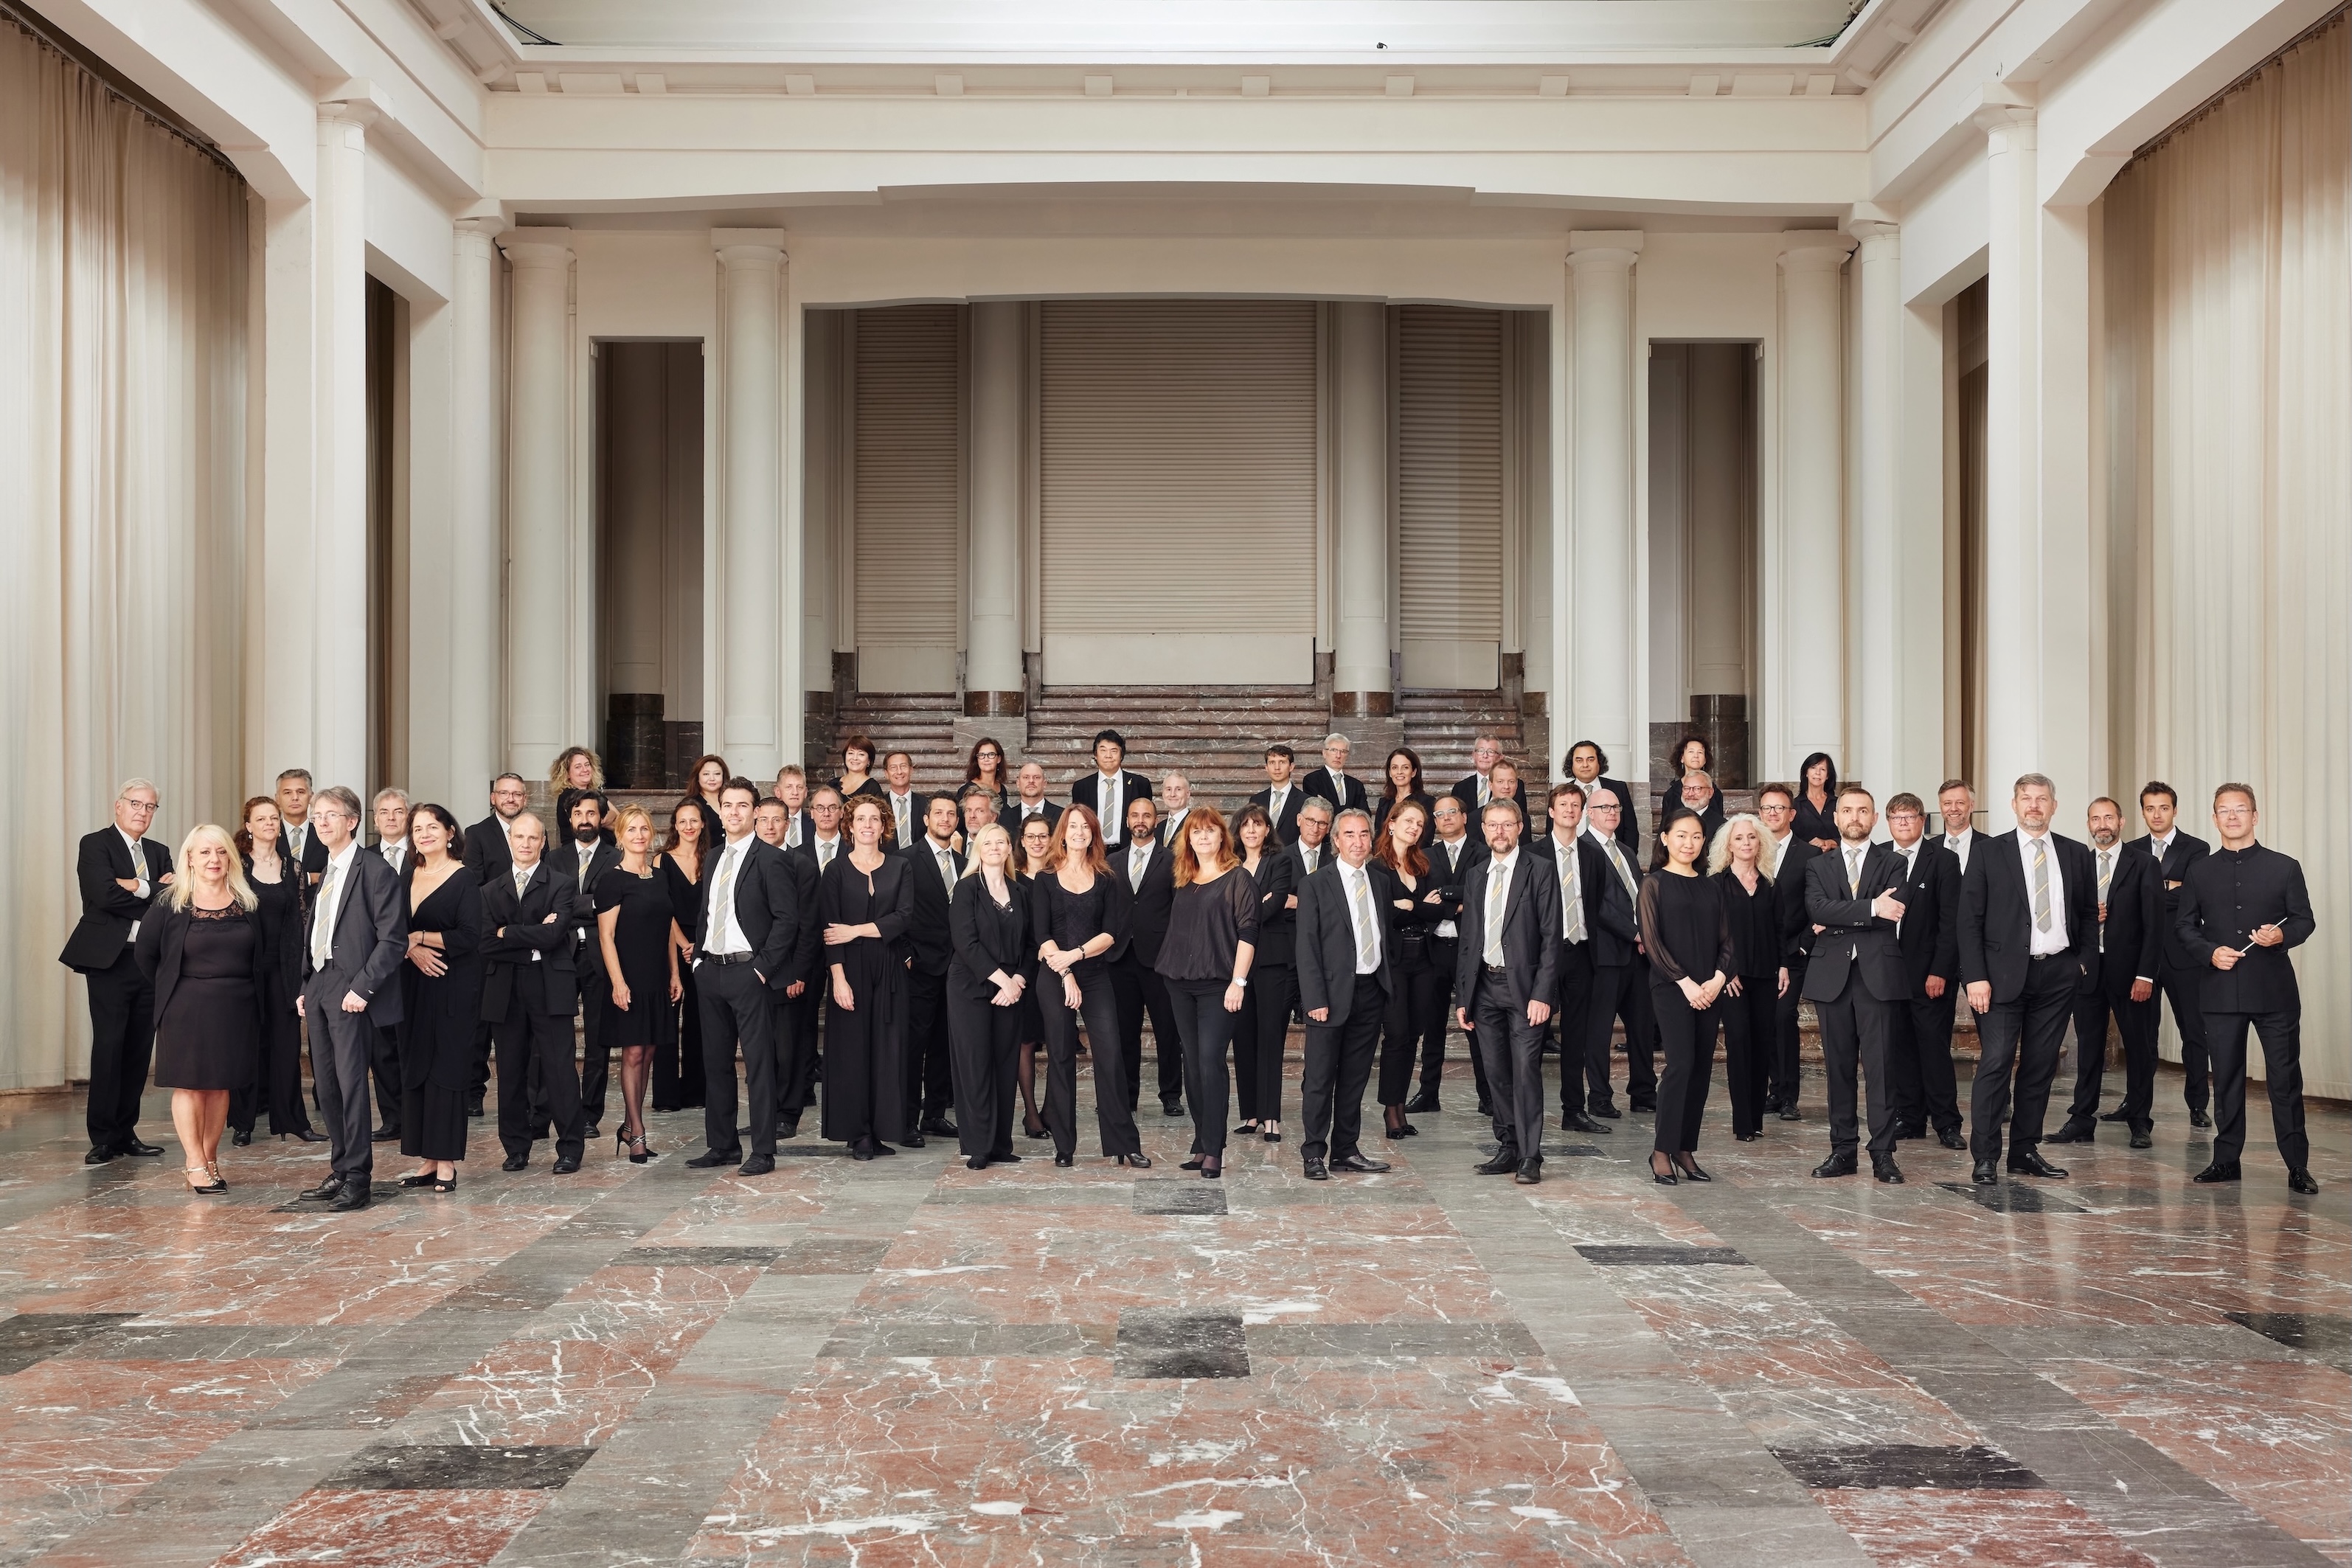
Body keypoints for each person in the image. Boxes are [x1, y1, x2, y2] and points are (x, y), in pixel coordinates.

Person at [2175, 785, 2317, 1194]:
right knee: (2228, 1078)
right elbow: (2184, 926)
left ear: (2255, 816)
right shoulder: (2199, 871)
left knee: (2284, 1079)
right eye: (2224, 810)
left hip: (2274, 991)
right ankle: (2225, 1161)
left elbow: (2304, 920)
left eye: (2241, 810)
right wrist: (2209, 952)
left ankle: (2297, 1166)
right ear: (2215, 817)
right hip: (2219, 990)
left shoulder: (2285, 867)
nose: (2232, 817)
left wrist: (2280, 937)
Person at [1958, 773, 2098, 1186]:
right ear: (2014, 805)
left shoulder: (2076, 854)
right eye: (2026, 798)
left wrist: (2082, 962)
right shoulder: (1987, 853)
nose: (2034, 805)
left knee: (2040, 1066)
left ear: (2054, 806)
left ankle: (2023, 1152)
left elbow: (2089, 914)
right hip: (2000, 978)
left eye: (2042, 799)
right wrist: (1975, 978)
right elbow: (1969, 923)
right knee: (1997, 1062)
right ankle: (1984, 1156)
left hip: (2057, 974)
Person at [136, 824, 268, 1194]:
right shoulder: (170, 902)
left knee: (220, 1087)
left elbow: (264, 955)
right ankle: (194, 1163)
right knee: (192, 1087)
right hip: (186, 1007)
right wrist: (173, 990)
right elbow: (146, 955)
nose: (214, 859)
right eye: (205, 852)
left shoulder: (249, 901)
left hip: (237, 1008)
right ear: (189, 858)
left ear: (231, 858)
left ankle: (210, 1159)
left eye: (221, 852)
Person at [295, 785, 406, 1213]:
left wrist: (362, 988)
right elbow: (320, 934)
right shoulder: (326, 871)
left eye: (330, 815)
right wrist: (307, 985)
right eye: (316, 816)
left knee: (352, 1084)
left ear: (353, 821)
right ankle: (341, 1167)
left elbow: (393, 940)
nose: (320, 822)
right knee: (326, 1085)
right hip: (321, 985)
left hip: (353, 989)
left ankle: (359, 1178)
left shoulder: (375, 870)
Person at [688, 779, 800, 1176]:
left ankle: (763, 1151)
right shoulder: (714, 856)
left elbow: (788, 921)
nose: (734, 812)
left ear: (755, 812)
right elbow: (706, 911)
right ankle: (722, 1145)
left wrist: (761, 969)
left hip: (748, 972)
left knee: (758, 1064)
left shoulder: (771, 859)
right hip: (711, 972)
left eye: (742, 805)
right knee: (716, 1063)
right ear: (719, 811)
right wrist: (699, 960)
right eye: (728, 805)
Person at [60, 779, 176, 1164]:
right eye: (136, 804)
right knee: (110, 1046)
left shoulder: (160, 851)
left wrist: (134, 886)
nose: (143, 812)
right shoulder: (95, 844)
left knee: (140, 1048)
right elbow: (102, 895)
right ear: (118, 806)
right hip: (109, 960)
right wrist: (150, 889)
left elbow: (173, 901)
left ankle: (127, 1132)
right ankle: (104, 1137)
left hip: (148, 962)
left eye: (150, 807)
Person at [1802, 785, 1911, 1184]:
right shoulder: (1818, 865)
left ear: (1875, 817)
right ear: (1836, 816)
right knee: (1839, 1068)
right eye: (1847, 810)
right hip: (1832, 977)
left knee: (1881, 1068)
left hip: (1878, 977)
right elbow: (1815, 907)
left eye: (1862, 811)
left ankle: (1883, 1153)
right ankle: (1842, 1151)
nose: (1854, 817)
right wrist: (1869, 906)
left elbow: (1893, 912)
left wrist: (1838, 917)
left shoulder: (1893, 862)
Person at [1033, 805, 1147, 1168]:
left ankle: (1123, 1144)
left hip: (1095, 973)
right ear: (1062, 832)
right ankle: (1064, 1146)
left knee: (1110, 1054)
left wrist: (1076, 957)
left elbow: (1112, 933)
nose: (1079, 831)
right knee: (1062, 1056)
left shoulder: (1108, 877)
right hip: (1053, 975)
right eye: (1073, 826)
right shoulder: (1045, 878)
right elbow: (1041, 935)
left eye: (1086, 826)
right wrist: (1065, 972)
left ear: (1094, 833)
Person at [484, 811, 597, 1171]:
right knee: (512, 1071)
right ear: (510, 840)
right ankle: (516, 1148)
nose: (526, 844)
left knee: (560, 1069)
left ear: (543, 842)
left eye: (533, 838)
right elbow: (485, 942)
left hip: (551, 984)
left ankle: (570, 1149)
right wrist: (528, 933)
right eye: (519, 837)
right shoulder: (490, 889)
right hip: (506, 988)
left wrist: (508, 932)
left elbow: (554, 936)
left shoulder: (562, 884)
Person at [1454, 799, 1559, 1183]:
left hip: (1526, 990)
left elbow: (1552, 938)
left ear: (1520, 827)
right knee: (1496, 1073)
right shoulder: (1477, 873)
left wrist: (1543, 994)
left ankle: (1531, 1155)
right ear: (1484, 830)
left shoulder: (1541, 871)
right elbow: (1469, 940)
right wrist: (1463, 997)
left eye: (1507, 825)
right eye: (1492, 825)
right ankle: (1509, 1145)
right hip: (1484, 988)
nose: (1500, 832)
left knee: (1526, 1072)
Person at [2050, 797, 2161, 1149]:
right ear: (2088, 824)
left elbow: (2154, 926)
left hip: (2131, 975)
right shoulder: (2077, 862)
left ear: (2122, 822)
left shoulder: (2143, 863)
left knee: (2139, 1048)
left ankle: (2140, 1120)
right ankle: (2082, 1118)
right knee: (2088, 1049)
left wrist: (2146, 975)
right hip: (2087, 971)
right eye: (2095, 818)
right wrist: (2085, 917)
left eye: (2108, 818)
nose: (2102, 824)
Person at [1294, 808, 1397, 1181]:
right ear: (1335, 841)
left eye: (1364, 834)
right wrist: (1315, 1000)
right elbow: (1306, 948)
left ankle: (1346, 1150)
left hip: (1370, 991)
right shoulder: (1315, 884)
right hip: (1329, 996)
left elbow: (1384, 936)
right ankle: (1313, 1152)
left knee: (1355, 1078)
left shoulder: (1381, 881)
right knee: (1320, 1077)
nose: (1358, 841)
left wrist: (1386, 986)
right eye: (1349, 835)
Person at [1156, 806, 1258, 1179]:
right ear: (1188, 839)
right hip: (1179, 982)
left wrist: (1238, 982)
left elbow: (1248, 934)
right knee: (1193, 1062)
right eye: (1195, 832)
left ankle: (1214, 1148)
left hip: (1220, 984)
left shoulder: (1238, 878)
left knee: (1210, 1060)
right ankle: (1201, 1142)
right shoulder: (1183, 876)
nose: (1202, 837)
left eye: (1210, 831)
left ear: (1221, 836)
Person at [391, 805, 482, 1193]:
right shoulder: (406, 876)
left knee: (447, 1071)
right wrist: (411, 949)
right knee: (417, 1068)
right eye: (417, 828)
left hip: (452, 984)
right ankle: (427, 1160)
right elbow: (393, 930)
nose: (424, 834)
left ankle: (447, 1164)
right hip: (412, 985)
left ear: (449, 832)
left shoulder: (463, 878)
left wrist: (420, 938)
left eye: (432, 827)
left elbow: (469, 937)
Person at [820, 797, 915, 1159]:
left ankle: (879, 1130)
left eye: (874, 819)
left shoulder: (900, 867)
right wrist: (839, 980)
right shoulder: (835, 870)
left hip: (890, 968)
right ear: (850, 825)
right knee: (852, 1053)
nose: (867, 825)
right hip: (850, 971)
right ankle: (857, 1133)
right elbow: (830, 932)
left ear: (884, 825)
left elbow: (903, 918)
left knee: (887, 1051)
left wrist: (855, 930)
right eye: (860, 819)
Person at [1642, 808, 1732, 1185]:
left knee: (1700, 1070)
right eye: (1681, 835)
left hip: (1709, 990)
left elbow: (1729, 941)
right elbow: (1652, 942)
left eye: (1696, 836)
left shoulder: (1712, 885)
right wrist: (1685, 983)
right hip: (1672, 988)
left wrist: (1717, 979)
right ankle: (1661, 1150)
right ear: (1665, 839)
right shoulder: (1654, 884)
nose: (1689, 843)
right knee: (1679, 1066)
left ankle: (1685, 1149)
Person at [596, 803, 684, 1168]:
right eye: (631, 829)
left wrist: (675, 974)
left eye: (644, 829)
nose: (638, 835)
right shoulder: (612, 879)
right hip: (627, 976)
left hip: (657, 977)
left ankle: (631, 1128)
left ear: (652, 834)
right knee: (632, 1053)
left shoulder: (660, 876)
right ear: (621, 836)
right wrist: (618, 982)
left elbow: (667, 929)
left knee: (648, 1053)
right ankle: (638, 1130)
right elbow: (606, 936)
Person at [1879, 794, 1966, 1150]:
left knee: (1933, 1049)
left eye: (1910, 816)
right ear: (1888, 821)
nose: (1903, 823)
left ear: (1922, 820)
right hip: (1885, 972)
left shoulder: (1944, 860)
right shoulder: (1879, 855)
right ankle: (1910, 1117)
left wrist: (1940, 971)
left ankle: (1947, 1122)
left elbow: (1951, 922)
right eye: (1896, 817)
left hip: (1929, 974)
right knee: (1898, 1049)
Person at [231, 797, 317, 1145]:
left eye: (274, 818)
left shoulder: (292, 868)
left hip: (283, 970)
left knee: (286, 1046)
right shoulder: (235, 865)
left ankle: (294, 1121)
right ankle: (243, 1123)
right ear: (248, 826)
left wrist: (301, 977)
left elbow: (298, 923)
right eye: (261, 818)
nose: (269, 823)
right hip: (244, 970)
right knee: (247, 1045)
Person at [946, 823, 1032, 1169]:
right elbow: (966, 942)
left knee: (1005, 1063)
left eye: (1001, 842)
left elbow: (1032, 943)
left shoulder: (1022, 891)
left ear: (1010, 849)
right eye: (988, 842)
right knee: (975, 1064)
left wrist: (1019, 981)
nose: (995, 847)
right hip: (971, 987)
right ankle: (978, 1145)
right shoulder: (965, 889)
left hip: (1010, 989)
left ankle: (999, 1143)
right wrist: (1003, 982)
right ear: (978, 848)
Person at [2130, 781, 2214, 1130]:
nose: (2157, 814)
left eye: (2163, 807)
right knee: (2142, 1036)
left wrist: (2148, 891)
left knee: (2194, 1032)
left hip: (2185, 955)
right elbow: (2126, 900)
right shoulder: (2131, 849)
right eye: (2150, 808)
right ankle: (2136, 1104)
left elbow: (2194, 896)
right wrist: (2170, 886)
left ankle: (2197, 1104)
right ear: (2143, 811)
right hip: (2142, 958)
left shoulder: (2197, 848)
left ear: (2175, 810)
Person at [1110, 795, 1187, 1117]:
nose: (1140, 820)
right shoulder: (1111, 862)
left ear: (1156, 821)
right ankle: (1127, 1097)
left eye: (1146, 815)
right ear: (1127, 821)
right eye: (1134, 815)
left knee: (1167, 1030)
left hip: (1159, 959)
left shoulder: (1172, 860)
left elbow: (1180, 911)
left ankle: (1170, 1095)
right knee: (1123, 1032)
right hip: (1120, 958)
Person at [1709, 814, 1784, 1142]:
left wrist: (1783, 965)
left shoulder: (1769, 884)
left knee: (1762, 1045)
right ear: (1729, 845)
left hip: (1767, 975)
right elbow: (1709, 935)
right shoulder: (1716, 884)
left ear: (1760, 843)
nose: (1746, 843)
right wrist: (1722, 973)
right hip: (1732, 979)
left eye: (1752, 838)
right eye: (1739, 838)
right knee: (1739, 1043)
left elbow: (1779, 929)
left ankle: (1756, 1120)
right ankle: (1743, 1123)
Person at [462, 772, 533, 1116]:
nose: (510, 799)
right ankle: (475, 1090)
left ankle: (525, 1092)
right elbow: (473, 884)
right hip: (488, 937)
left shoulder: (534, 832)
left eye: (516, 794)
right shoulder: (476, 834)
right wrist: (502, 921)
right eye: (503, 793)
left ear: (525, 798)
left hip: (523, 940)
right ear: (493, 798)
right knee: (479, 1022)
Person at [1408, 793, 1483, 1118]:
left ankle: (1489, 1094)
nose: (1447, 818)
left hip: (1471, 952)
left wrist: (1448, 899)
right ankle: (1428, 1092)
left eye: (1453, 812)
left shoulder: (1483, 853)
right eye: (1439, 815)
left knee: (1477, 1025)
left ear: (1465, 817)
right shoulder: (1424, 855)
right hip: (1434, 949)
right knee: (1433, 1024)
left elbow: (1481, 894)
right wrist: (1460, 905)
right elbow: (1422, 903)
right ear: (1434, 823)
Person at [1373, 798, 1444, 1141]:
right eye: (1409, 821)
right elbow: (1385, 915)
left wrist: (1410, 905)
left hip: (1425, 961)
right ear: (1392, 823)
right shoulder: (1377, 867)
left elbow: (1441, 910)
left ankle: (1401, 1108)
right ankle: (1390, 1110)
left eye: (1420, 823)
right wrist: (1419, 908)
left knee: (1414, 1034)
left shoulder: (1425, 864)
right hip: (1396, 962)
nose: (1415, 827)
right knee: (1397, 1034)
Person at [754, 797, 825, 1142]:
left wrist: (799, 973)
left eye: (777, 820)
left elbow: (809, 925)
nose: (769, 826)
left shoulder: (803, 865)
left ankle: (788, 1113)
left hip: (790, 974)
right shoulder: (746, 861)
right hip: (753, 973)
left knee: (790, 1047)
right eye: (764, 819)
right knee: (762, 1047)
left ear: (789, 825)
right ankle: (765, 1113)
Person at [1580, 791, 1654, 1115]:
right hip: (1606, 954)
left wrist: (1648, 933)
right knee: (1599, 1030)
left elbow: (1638, 897)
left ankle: (1643, 1092)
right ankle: (1599, 1097)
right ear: (1589, 813)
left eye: (1616, 807)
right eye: (1604, 807)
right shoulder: (1583, 850)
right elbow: (1596, 906)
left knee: (1642, 1027)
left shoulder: (1624, 850)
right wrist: (1635, 933)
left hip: (1639, 956)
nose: (1612, 812)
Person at [552, 794, 620, 1135]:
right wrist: (589, 906)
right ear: (569, 818)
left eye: (591, 813)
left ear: (601, 818)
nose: (584, 818)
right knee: (553, 1037)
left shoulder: (616, 857)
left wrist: (567, 907)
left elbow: (613, 903)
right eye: (578, 812)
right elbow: (549, 904)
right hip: (559, 955)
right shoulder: (553, 858)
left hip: (600, 956)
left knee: (598, 1040)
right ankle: (551, 1109)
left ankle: (589, 1114)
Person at [898, 793, 965, 1142]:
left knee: (944, 1045)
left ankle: (935, 1114)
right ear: (926, 819)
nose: (945, 819)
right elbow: (897, 911)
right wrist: (907, 954)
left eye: (951, 814)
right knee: (914, 1047)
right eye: (938, 813)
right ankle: (907, 1119)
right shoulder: (906, 860)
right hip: (919, 969)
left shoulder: (965, 860)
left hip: (957, 969)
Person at [782, 787, 849, 1128]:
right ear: (810, 813)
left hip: (845, 945)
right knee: (802, 1021)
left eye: (832, 808)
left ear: (841, 813)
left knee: (845, 1021)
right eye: (819, 808)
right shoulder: (796, 854)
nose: (825, 813)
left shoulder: (855, 851)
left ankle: (842, 1087)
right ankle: (802, 1088)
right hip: (807, 946)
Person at [1541, 784, 1606, 1134]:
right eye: (1563, 804)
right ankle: (1524, 1110)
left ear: (1583, 813)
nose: (1569, 809)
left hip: (1581, 953)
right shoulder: (1532, 854)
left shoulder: (1593, 855)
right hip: (1543, 958)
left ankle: (1574, 1110)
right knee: (1532, 1035)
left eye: (1576, 804)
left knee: (1576, 1036)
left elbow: (1594, 907)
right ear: (1551, 811)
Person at [1230, 804, 1294, 1142]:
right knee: (1243, 1039)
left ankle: (1272, 1118)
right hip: (1237, 963)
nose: (1252, 831)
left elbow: (1277, 903)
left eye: (1258, 825)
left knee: (1270, 1038)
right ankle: (1251, 1115)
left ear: (1267, 830)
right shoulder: (1230, 864)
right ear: (1238, 831)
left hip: (1272, 961)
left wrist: (1244, 909)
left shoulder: (1281, 861)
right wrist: (1259, 900)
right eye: (1246, 826)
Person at [1759, 783, 1819, 1120]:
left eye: (1779, 808)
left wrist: (1801, 945)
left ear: (1791, 814)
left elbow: (1817, 907)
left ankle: (1789, 1097)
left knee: (1784, 1018)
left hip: (1792, 953)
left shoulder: (1808, 856)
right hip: (1757, 954)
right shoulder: (1748, 849)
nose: (1772, 813)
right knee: (1765, 1021)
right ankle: (1774, 1090)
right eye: (1767, 808)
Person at [366, 788, 415, 1143]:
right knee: (381, 1045)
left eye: (399, 811)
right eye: (384, 812)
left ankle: (415, 1115)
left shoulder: (424, 855)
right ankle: (392, 1118)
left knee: (411, 1042)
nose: (392, 818)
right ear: (374, 819)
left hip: (417, 962)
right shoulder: (362, 858)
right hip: (376, 963)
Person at [655, 799, 709, 1111]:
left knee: (700, 1019)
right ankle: (666, 1096)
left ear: (703, 824)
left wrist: (698, 945)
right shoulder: (662, 861)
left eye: (694, 821)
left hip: (704, 947)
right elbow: (664, 908)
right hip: (670, 942)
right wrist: (684, 943)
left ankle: (696, 1091)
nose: (688, 827)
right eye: (682, 821)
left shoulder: (712, 859)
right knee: (668, 1016)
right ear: (675, 826)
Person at [1013, 814, 1058, 1139]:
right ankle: (1030, 1113)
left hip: (1056, 968)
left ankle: (1052, 1109)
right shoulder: (1012, 879)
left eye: (1044, 836)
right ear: (1022, 840)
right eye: (1032, 836)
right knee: (1026, 1042)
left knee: (1059, 1044)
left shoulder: (1061, 875)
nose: (1038, 842)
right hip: (1024, 970)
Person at [1071, 729, 1152, 853]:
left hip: (1128, 851)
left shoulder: (1140, 784)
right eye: (1103, 750)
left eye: (1114, 751)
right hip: (1092, 851)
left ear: (1121, 755)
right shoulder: (1082, 787)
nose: (1108, 756)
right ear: (1095, 755)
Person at [1564, 740, 1640, 859]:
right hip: (1573, 858)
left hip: (1612, 857)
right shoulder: (1561, 794)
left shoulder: (1618, 789)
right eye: (1579, 760)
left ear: (1599, 762)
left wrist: (1626, 857)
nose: (1585, 765)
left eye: (1590, 759)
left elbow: (1630, 830)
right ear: (1571, 764)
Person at [1451, 732, 1527, 819]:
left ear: (1500, 758)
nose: (1485, 756)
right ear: (1474, 755)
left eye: (1491, 752)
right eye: (1480, 751)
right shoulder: (1460, 788)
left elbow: (1520, 818)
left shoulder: (1513, 785)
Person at [550, 747, 612, 845]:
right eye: (578, 767)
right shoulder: (570, 795)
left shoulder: (593, 794)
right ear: (567, 774)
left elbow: (619, 819)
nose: (585, 770)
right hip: (578, 855)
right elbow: (608, 819)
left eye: (587, 765)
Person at [275, 769, 329, 881]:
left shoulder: (325, 831)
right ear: (278, 799)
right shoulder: (269, 833)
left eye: (301, 792)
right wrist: (310, 878)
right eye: (287, 793)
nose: (295, 797)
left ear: (311, 797)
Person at [1251, 743, 1308, 844]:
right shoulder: (1256, 800)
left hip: (1292, 859)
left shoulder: (1305, 800)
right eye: (1272, 763)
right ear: (1266, 767)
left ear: (1291, 767)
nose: (1277, 768)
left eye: (1282, 762)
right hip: (1263, 857)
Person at [1373, 747, 1434, 838]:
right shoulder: (1384, 802)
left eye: (1405, 767)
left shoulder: (1427, 802)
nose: (1399, 772)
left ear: (1413, 772)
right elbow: (1377, 838)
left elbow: (1425, 840)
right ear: (1390, 772)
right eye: (1394, 768)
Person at [1301, 733, 1369, 816]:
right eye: (1333, 750)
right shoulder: (1312, 780)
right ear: (1324, 753)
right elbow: (1317, 811)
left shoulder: (1356, 785)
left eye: (1343, 752)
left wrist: (1330, 807)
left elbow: (1365, 814)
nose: (1338, 756)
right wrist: (1352, 809)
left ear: (1347, 756)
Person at [1791, 753, 1839, 853]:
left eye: (1823, 769)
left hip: (1835, 860)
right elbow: (1791, 839)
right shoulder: (1795, 805)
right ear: (1806, 773)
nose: (1818, 773)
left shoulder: (1838, 804)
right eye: (1813, 768)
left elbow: (1850, 835)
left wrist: (1829, 843)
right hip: (1805, 860)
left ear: (1827, 776)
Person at [1001, 761, 1063, 833]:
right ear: (1018, 783)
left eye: (1037, 777)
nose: (1031, 781)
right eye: (1026, 777)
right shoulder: (1004, 818)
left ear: (1044, 784)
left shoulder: (1062, 816)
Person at [881, 751, 924, 850]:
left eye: (903, 766)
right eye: (893, 768)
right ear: (886, 773)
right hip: (888, 862)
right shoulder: (879, 806)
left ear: (911, 770)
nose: (899, 772)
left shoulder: (925, 804)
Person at [1674, 771, 1727, 847]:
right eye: (1686, 788)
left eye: (1697, 789)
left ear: (1710, 793)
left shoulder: (1721, 827)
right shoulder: (1673, 820)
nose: (1690, 794)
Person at [965, 737, 1012, 815]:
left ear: (999, 759)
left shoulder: (1002, 789)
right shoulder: (966, 789)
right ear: (977, 759)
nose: (986, 759)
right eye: (981, 755)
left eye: (991, 754)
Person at [773, 766, 815, 851]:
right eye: (789, 787)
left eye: (799, 787)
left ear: (806, 792)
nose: (795, 792)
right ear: (778, 792)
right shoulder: (769, 825)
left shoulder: (815, 825)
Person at [834, 735, 883, 802]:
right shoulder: (833, 784)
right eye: (851, 753)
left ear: (869, 761)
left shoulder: (872, 787)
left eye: (861, 754)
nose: (855, 758)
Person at [1157, 772, 1197, 847]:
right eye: (1168, 789)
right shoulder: (1158, 828)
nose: (1172, 794)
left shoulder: (1195, 824)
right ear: (1163, 794)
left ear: (1188, 794)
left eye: (1178, 789)